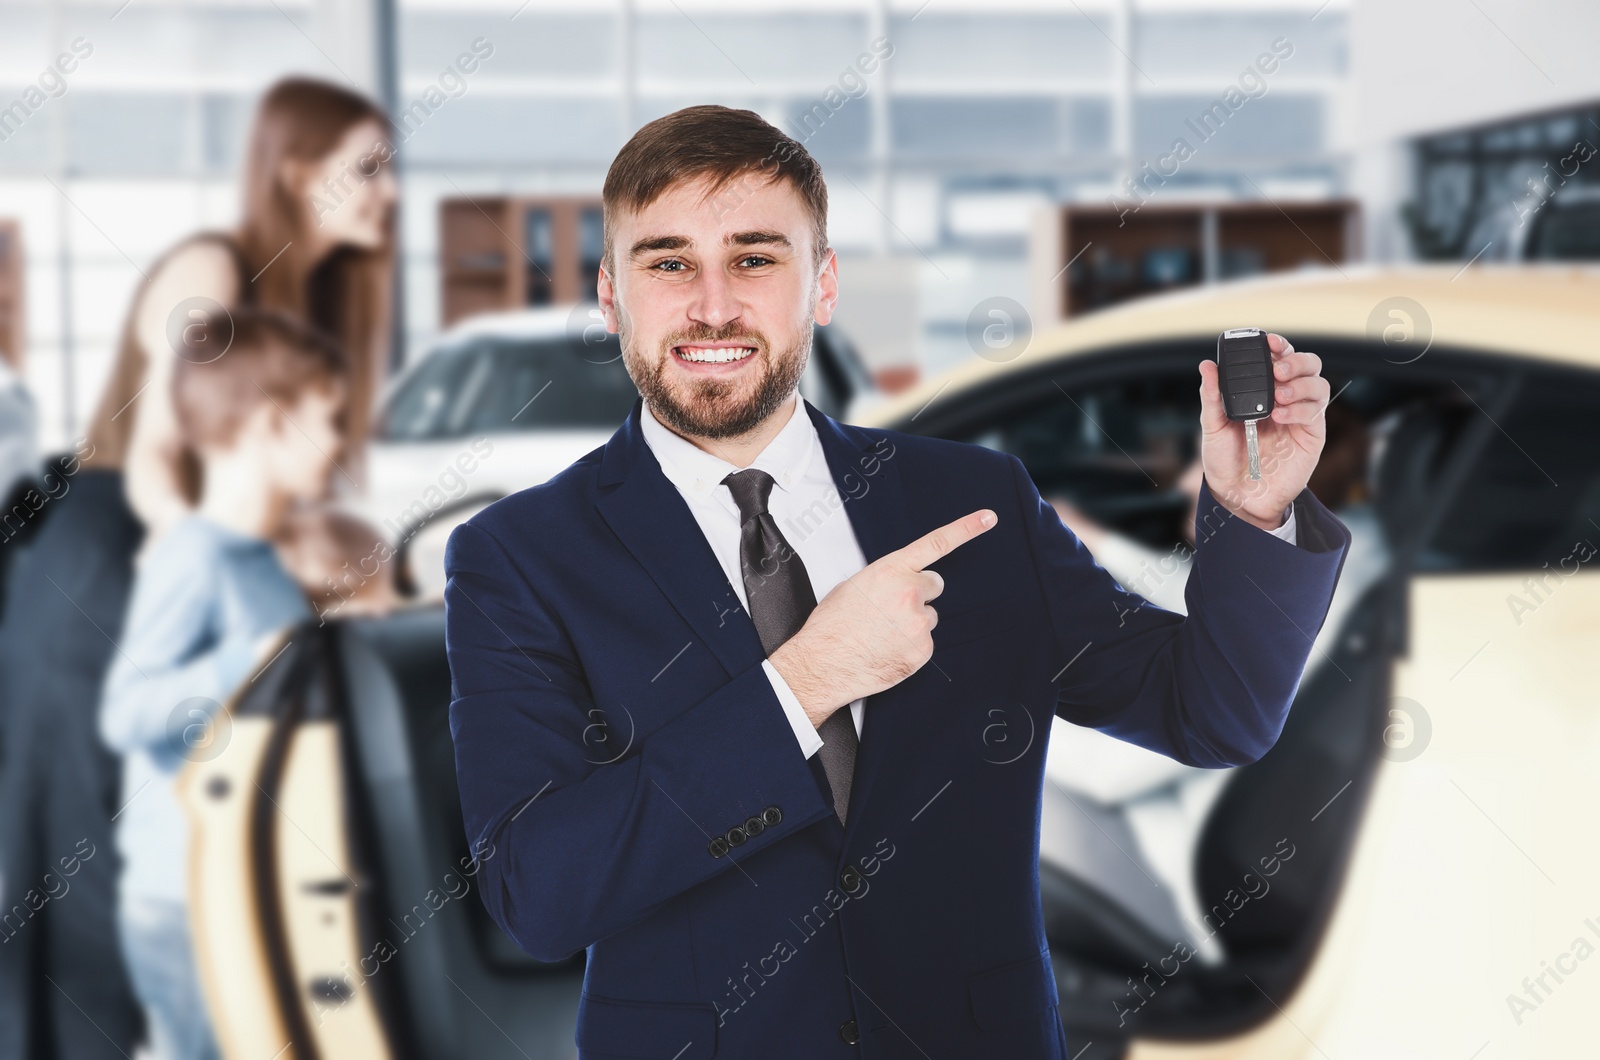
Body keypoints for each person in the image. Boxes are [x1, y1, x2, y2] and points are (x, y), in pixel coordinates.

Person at [442, 105, 1351, 1059]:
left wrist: (1255, 519)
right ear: (611, 293)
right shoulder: (520, 556)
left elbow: (1212, 713)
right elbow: (537, 894)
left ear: (823, 284)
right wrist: (805, 683)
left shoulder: (972, 501)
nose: (712, 305)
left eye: (756, 259)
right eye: (668, 263)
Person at [0, 76, 395, 1060]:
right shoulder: (213, 264)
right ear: (298, 170)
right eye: (369, 167)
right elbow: (160, 454)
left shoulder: (327, 305)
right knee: (78, 863)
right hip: (108, 563)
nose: (390, 190)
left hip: (186, 571)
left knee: (208, 859)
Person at [1042, 403, 1391, 961]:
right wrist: (1096, 541)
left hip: (1193, 883)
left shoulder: (1306, 621)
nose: (1186, 481)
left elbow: (1107, 775)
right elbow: (1215, 606)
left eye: (1204, 460)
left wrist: (1008, 706)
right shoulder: (1351, 554)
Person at [98, 308, 346, 1060]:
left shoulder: (264, 566)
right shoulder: (194, 560)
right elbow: (123, 713)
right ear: (273, 424)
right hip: (183, 901)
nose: (339, 443)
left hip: (246, 888)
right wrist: (246, 659)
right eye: (328, 421)